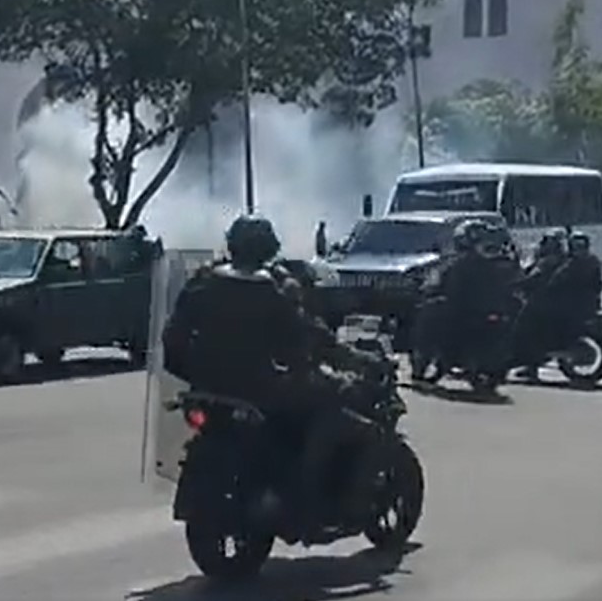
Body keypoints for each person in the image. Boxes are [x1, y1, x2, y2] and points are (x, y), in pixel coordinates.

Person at [162, 214, 389, 534]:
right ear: (268, 247)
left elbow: (172, 338)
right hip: (263, 390)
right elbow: (304, 336)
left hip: (208, 389)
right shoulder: (275, 286)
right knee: (340, 400)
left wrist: (191, 373)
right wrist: (343, 361)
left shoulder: (203, 281)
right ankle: (311, 494)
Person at [415, 219, 521, 378]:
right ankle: (431, 359)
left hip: (470, 311)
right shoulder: (498, 262)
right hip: (483, 311)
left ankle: (429, 357)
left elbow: (446, 287)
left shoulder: (462, 263)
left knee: (431, 313)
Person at [512, 231, 569, 380]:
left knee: (521, 327)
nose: (541, 245)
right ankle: (530, 365)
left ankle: (531, 366)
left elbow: (534, 278)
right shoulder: (560, 259)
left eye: (545, 242)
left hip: (543, 302)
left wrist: (515, 285)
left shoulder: (548, 261)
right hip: (551, 301)